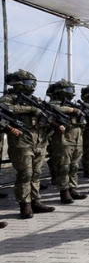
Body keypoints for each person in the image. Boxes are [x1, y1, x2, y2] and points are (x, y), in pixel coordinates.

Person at [0, 69, 58, 218]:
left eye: (33, 83)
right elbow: (5, 108)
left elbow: (47, 111)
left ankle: (35, 201)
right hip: (21, 142)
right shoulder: (9, 98)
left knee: (36, 173)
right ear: (17, 83)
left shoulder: (34, 99)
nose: (31, 85)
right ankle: (24, 205)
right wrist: (31, 109)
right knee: (25, 174)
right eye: (28, 82)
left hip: (39, 141)